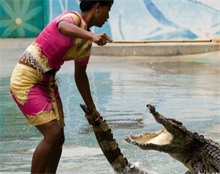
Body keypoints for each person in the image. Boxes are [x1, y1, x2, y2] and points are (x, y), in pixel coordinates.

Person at [9, 0, 114, 173]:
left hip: (47, 84)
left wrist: (93, 109)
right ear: (97, 7)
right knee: (52, 133)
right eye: (107, 10)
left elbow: (80, 76)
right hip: (26, 79)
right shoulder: (71, 18)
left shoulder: (85, 45)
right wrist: (92, 36)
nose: (108, 17)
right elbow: (62, 27)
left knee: (59, 138)